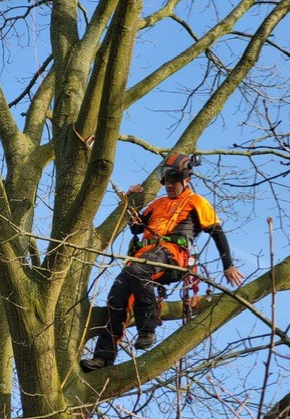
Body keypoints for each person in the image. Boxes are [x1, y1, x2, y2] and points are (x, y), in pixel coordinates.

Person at [80, 153, 244, 372]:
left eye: (173, 181)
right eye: (166, 181)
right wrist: (131, 201)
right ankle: (103, 357)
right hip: (143, 257)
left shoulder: (196, 202)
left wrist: (228, 265)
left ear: (186, 178)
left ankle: (147, 328)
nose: (168, 185)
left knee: (139, 270)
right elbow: (137, 227)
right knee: (117, 295)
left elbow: (216, 231)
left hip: (173, 256)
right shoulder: (158, 203)